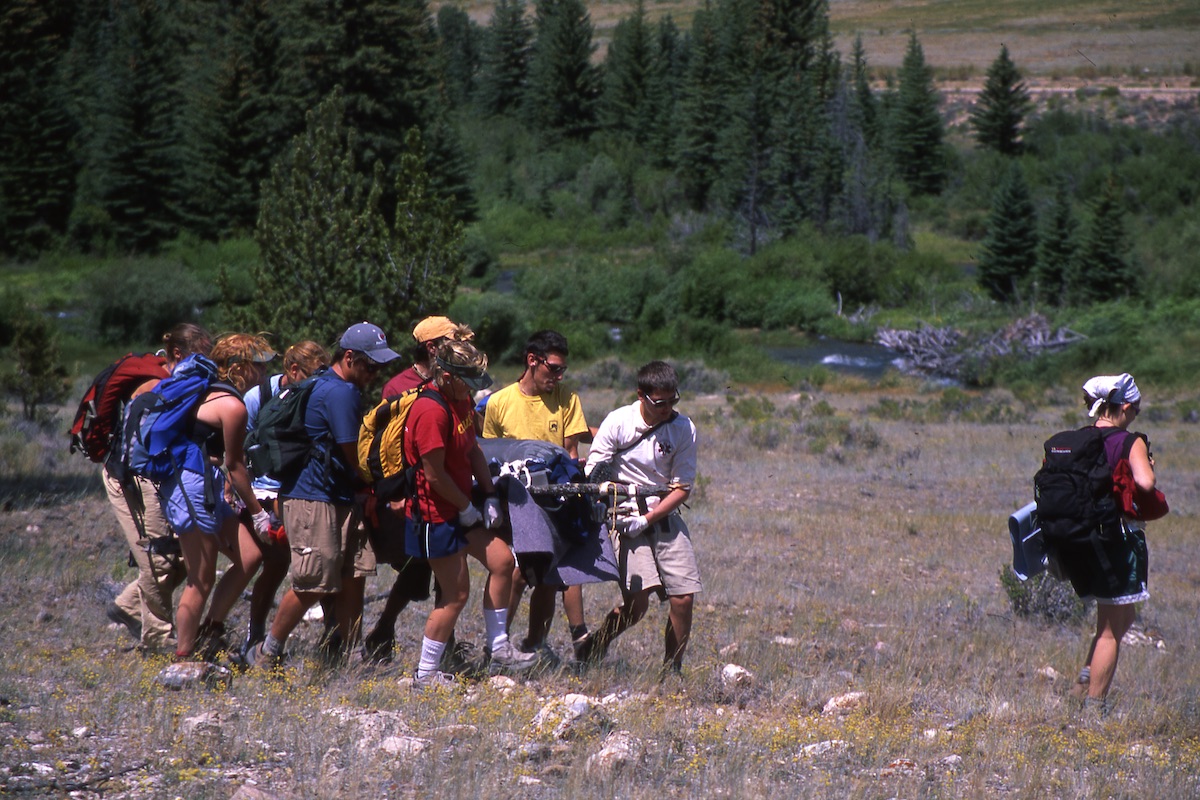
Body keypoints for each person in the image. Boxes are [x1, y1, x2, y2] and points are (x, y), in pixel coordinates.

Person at [248, 323, 398, 668]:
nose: (375, 374)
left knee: (352, 576)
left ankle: (351, 654)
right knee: (312, 580)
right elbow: (350, 451)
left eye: (380, 368)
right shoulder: (342, 392)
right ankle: (267, 651)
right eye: (370, 366)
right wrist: (371, 483)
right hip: (315, 499)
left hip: (334, 496)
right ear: (349, 358)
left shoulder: (331, 386)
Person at [405, 337, 537, 685]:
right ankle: (425, 674)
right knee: (455, 595)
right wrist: (464, 508)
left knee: (503, 561)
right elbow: (433, 475)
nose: (472, 389)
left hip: (462, 507)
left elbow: (473, 450)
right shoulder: (431, 411)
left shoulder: (460, 400)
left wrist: (490, 495)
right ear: (447, 375)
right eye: (467, 380)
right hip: (437, 515)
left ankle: (498, 648)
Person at [361, 317, 474, 664]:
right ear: (432, 347)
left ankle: (438, 646)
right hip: (413, 499)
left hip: (442, 497)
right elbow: (395, 448)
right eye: (451, 339)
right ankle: (389, 630)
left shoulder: (456, 385)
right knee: (418, 572)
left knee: (440, 577)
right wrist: (397, 496)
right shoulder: (401, 386)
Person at [578, 361, 700, 677]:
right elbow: (595, 471)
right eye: (661, 403)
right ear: (641, 396)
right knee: (637, 605)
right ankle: (596, 643)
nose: (668, 408)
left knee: (683, 597)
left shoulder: (683, 428)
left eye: (674, 400)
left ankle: (671, 670)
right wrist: (616, 496)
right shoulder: (618, 422)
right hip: (623, 514)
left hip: (663, 515)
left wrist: (649, 518)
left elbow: (682, 487)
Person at [161, 333, 274, 661]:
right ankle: (184, 657)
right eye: (259, 365)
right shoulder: (233, 405)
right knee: (201, 577)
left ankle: (212, 630)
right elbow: (235, 466)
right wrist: (258, 514)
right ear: (242, 368)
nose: (264, 372)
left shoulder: (211, 392)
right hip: (192, 487)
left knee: (250, 556)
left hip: (202, 485)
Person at [482, 330, 591, 663]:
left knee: (546, 574)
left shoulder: (567, 399)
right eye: (553, 369)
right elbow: (489, 455)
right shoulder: (500, 402)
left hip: (553, 501)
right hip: (513, 502)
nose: (557, 377)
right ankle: (497, 645)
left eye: (562, 371)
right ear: (532, 360)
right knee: (515, 571)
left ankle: (534, 642)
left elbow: (570, 452)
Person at [104, 323, 208, 652]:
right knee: (160, 559)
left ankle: (128, 606)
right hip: (133, 476)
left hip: (154, 475)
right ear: (179, 354)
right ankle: (157, 640)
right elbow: (139, 446)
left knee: (175, 558)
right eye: (200, 356)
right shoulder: (158, 386)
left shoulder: (177, 383)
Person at [1060, 373, 1157, 709]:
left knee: (1122, 617)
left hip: (1083, 541)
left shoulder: (1077, 439)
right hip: (1116, 541)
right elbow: (1145, 483)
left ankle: (1085, 680)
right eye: (1136, 411)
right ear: (1126, 406)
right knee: (1110, 631)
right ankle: (1092, 707)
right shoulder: (1130, 442)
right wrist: (1147, 466)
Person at [232, 341, 331, 661]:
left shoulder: (314, 394)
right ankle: (258, 636)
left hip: (299, 489)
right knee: (278, 566)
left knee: (316, 566)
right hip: (264, 491)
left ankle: (326, 639)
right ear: (292, 370)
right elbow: (237, 453)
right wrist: (251, 506)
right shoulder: (258, 397)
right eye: (312, 373)